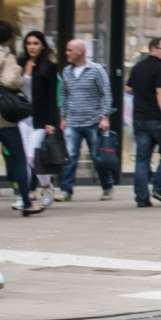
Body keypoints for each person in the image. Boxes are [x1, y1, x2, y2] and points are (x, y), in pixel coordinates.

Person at [0, 21, 41, 215]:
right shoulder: (6, 57)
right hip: (3, 115)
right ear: (7, 37)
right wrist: (17, 74)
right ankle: (27, 203)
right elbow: (10, 81)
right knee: (18, 158)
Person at [56, 38, 114, 202]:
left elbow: (106, 94)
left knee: (98, 157)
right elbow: (64, 96)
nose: (66, 53)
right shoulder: (67, 71)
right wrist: (63, 118)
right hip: (72, 122)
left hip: (93, 121)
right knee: (70, 156)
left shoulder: (96, 70)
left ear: (79, 51)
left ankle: (107, 187)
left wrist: (105, 117)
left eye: (69, 50)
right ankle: (66, 190)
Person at [125, 37, 161, 207]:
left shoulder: (138, 66)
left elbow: (128, 88)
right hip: (156, 119)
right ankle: (159, 189)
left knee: (142, 159)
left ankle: (141, 199)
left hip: (139, 119)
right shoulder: (160, 68)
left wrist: (142, 94)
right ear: (153, 49)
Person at [17, 31, 58, 208]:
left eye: (35, 43)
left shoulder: (49, 67)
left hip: (40, 119)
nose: (32, 47)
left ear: (42, 45)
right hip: (21, 117)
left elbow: (52, 98)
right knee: (24, 158)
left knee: (32, 157)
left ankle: (47, 186)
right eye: (29, 43)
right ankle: (25, 196)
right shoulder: (19, 63)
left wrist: (51, 122)